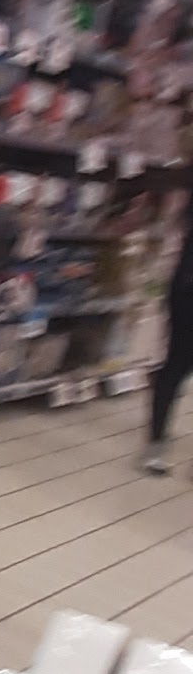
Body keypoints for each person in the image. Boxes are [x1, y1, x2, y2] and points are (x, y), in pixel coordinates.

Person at [145, 191, 193, 475]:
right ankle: (156, 443)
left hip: (185, 287)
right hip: (188, 292)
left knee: (174, 367)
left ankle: (156, 444)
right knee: (176, 366)